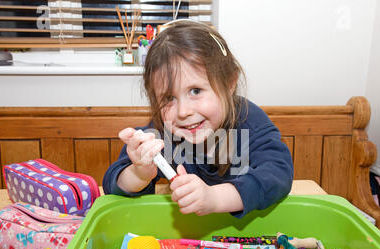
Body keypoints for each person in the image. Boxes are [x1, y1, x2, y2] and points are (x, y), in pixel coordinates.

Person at [103, 20, 293, 218]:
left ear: (229, 84)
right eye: (168, 98)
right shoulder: (163, 133)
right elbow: (112, 186)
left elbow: (278, 173)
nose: (183, 111)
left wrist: (215, 198)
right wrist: (139, 173)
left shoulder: (250, 122)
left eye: (196, 91)